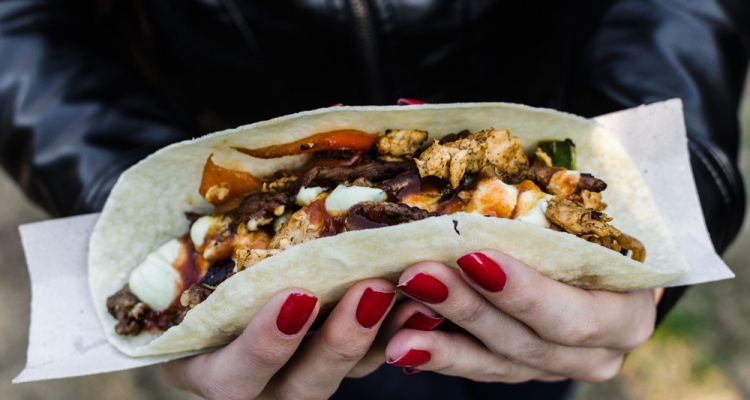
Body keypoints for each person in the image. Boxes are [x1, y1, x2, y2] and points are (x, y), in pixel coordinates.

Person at [1, 1, 748, 399]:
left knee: (527, 383)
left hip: (545, 270)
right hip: (282, 318)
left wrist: (667, 176)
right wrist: (118, 181)